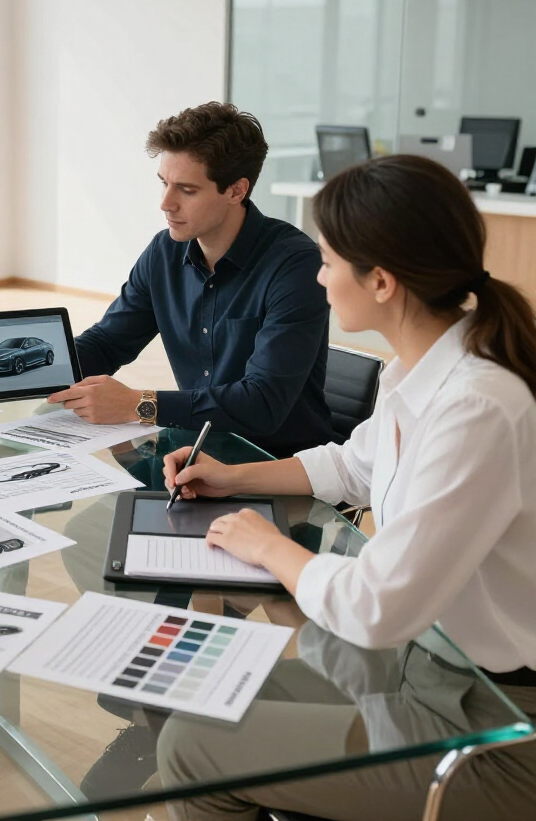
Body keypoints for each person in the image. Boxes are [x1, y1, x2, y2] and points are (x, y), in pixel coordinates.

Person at [159, 154, 536, 820]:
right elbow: (352, 466)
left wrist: (270, 547)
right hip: (425, 669)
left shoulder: (480, 405)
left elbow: (377, 606)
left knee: (195, 747)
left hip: (493, 727)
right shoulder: (425, 366)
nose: (317, 274)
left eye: (328, 259)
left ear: (382, 281)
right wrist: (231, 475)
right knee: (203, 685)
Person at [50, 102, 336, 459]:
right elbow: (108, 343)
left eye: (186, 190)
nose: (166, 204)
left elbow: (262, 404)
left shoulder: (295, 266)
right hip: (193, 455)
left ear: (236, 190)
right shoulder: (164, 253)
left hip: (278, 466)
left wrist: (137, 404)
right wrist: (11, 371)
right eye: (164, 184)